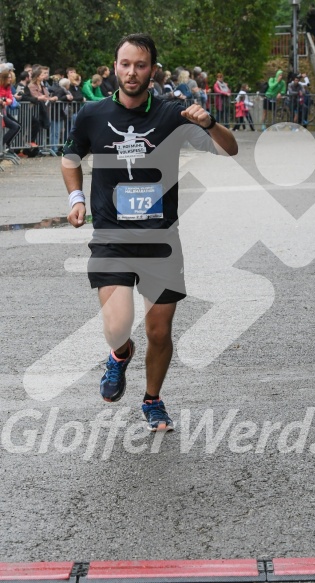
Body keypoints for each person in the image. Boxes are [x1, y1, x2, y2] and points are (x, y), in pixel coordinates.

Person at [61, 33, 237, 431]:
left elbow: (230, 150)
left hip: (160, 239)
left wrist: (209, 122)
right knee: (116, 327)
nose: (131, 72)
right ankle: (120, 354)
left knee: (159, 332)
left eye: (140, 65)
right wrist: (76, 198)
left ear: (152, 70)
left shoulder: (172, 114)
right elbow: (70, 157)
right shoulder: (91, 113)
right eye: (125, 64)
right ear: (116, 66)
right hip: (111, 237)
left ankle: (153, 400)